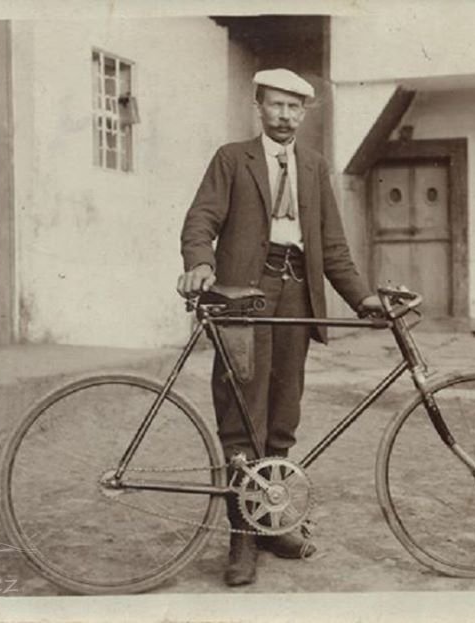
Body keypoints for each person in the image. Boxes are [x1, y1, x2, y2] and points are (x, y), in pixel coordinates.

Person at [178, 68, 381, 586]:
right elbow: (201, 219)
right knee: (241, 414)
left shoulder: (313, 166)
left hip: (297, 295)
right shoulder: (232, 159)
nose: (285, 115)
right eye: (276, 105)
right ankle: (241, 537)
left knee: (283, 412)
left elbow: (332, 246)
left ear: (304, 113)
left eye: (294, 107)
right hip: (243, 294)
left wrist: (362, 298)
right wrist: (200, 262)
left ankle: (268, 521)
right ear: (259, 106)